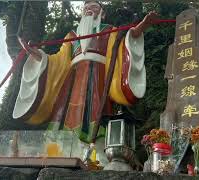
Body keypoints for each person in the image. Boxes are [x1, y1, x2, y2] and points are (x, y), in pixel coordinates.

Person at [13, 1, 158, 143]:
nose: (89, 10)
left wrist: (142, 26)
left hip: (98, 76)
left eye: (94, 7)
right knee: (66, 113)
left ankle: (97, 144)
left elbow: (122, 48)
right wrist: (36, 54)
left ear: (102, 14)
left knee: (96, 110)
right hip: (73, 79)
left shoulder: (110, 30)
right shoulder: (72, 35)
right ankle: (60, 145)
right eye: (86, 8)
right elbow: (57, 60)